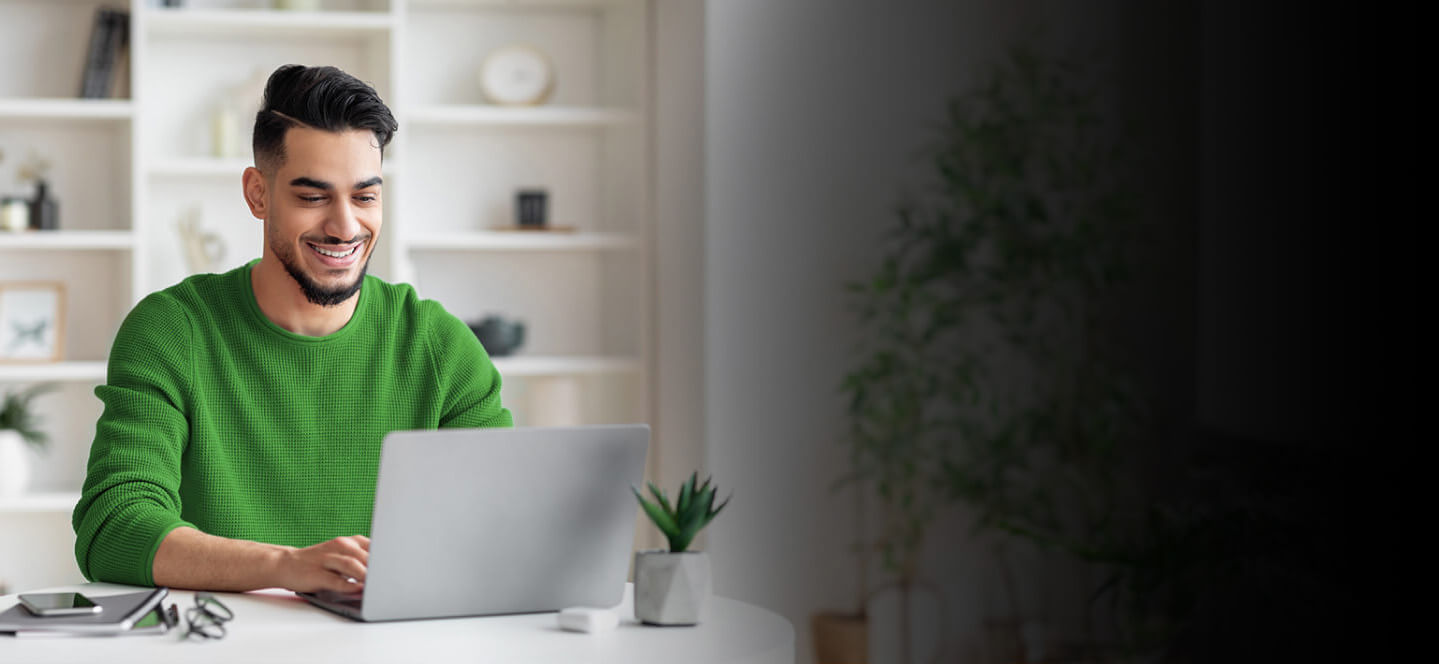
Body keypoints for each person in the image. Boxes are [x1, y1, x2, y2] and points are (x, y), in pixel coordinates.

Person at [72, 64, 512, 594]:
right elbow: (113, 527)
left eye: (365, 196)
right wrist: (286, 567)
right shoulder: (172, 331)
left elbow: (502, 524)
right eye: (313, 197)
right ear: (258, 194)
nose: (346, 226)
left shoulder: (438, 346)